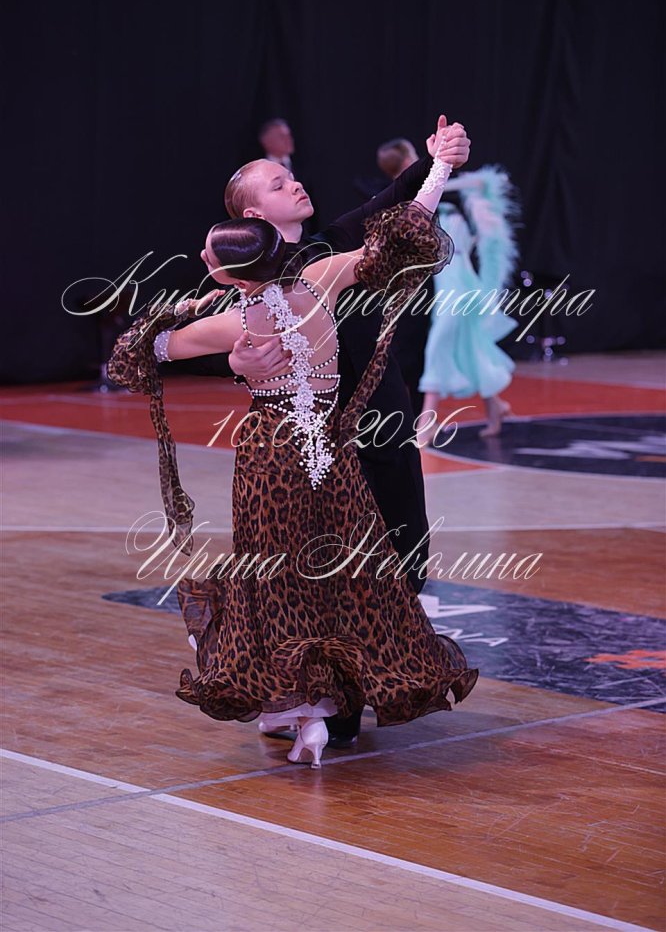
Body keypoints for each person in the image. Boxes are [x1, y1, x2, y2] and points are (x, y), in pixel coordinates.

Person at [108, 138, 478, 769]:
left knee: (303, 581)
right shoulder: (318, 278)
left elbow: (147, 348)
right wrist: (235, 361)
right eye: (278, 183)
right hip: (331, 448)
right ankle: (334, 709)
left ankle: (309, 706)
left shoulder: (251, 296)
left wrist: (439, 158)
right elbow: (406, 227)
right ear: (253, 217)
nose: (295, 184)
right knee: (334, 579)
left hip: (312, 447)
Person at [417, 167, 520, 440]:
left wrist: (441, 186)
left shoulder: (451, 218)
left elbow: (483, 185)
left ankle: (427, 421)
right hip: (451, 290)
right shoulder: (433, 217)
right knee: (473, 349)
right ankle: (496, 406)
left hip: (460, 292)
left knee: (438, 346)